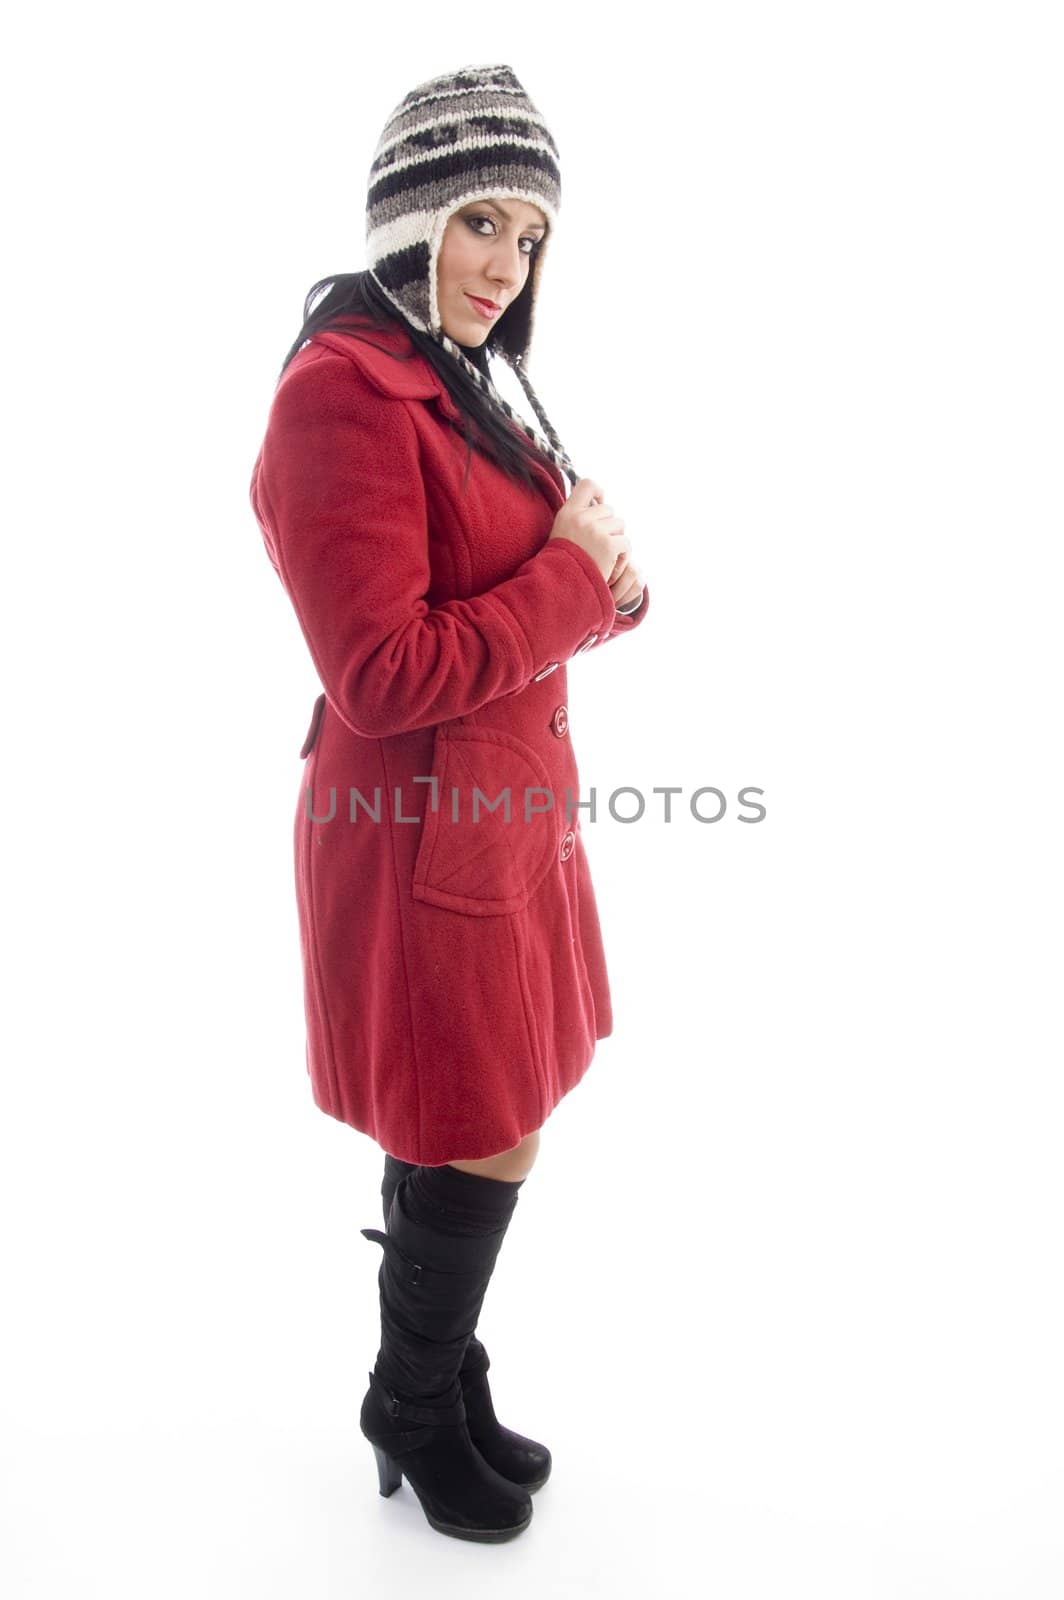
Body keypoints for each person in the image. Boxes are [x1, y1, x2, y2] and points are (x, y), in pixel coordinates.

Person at [248, 62, 651, 1543]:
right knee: (482, 1122)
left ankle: (440, 1369)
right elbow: (381, 667)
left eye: (531, 236)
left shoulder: (470, 376)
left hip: (501, 812)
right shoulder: (339, 397)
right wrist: (573, 572)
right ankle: (411, 1402)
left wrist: (596, 571)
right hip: (416, 825)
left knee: (473, 1112)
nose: (504, 265)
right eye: (480, 221)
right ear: (413, 217)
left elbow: (565, 577)